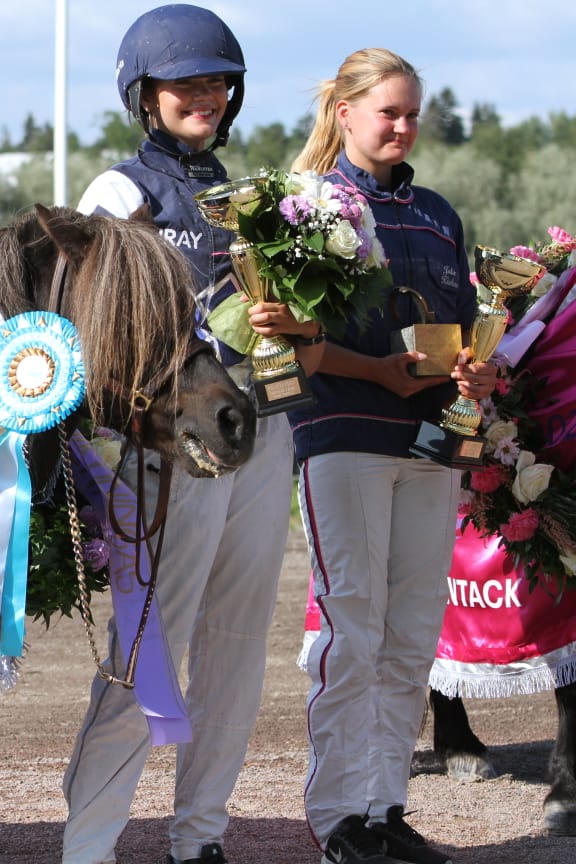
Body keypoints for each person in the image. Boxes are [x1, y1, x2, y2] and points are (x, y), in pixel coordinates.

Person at [61, 7, 322, 864]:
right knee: (149, 643)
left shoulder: (250, 202)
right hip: (175, 443)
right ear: (145, 95)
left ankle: (199, 836)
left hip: (260, 428)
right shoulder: (120, 192)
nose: (203, 95)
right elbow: (100, 320)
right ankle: (90, 843)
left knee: (239, 646)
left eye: (215, 81)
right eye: (184, 83)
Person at [288, 48, 498, 864]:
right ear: (346, 113)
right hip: (344, 434)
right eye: (390, 112)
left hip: (433, 444)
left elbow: (470, 319)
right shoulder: (307, 206)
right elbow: (293, 341)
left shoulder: (439, 213)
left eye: (413, 113)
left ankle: (385, 807)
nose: (404, 126)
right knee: (355, 630)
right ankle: (336, 814)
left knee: (412, 634)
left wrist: (476, 366)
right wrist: (373, 368)